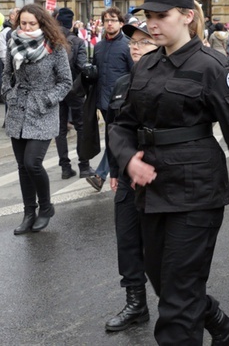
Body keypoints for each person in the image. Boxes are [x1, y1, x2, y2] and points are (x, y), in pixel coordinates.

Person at [108, 0, 229, 346]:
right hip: (150, 191)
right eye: (148, 16)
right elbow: (121, 125)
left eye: (161, 16)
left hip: (196, 192)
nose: (152, 24)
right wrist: (127, 161)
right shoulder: (146, 65)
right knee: (163, 281)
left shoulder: (212, 66)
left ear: (187, 16)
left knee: (177, 300)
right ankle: (220, 324)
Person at [104, 21, 158, 333]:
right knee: (127, 241)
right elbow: (115, 129)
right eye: (133, 42)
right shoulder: (123, 83)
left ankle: (183, 305)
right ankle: (136, 302)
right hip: (127, 176)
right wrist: (115, 169)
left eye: (143, 42)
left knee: (162, 249)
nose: (135, 47)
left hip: (157, 176)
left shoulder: (168, 78)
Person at [1, 3, 72, 234]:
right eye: (23, 23)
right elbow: (6, 75)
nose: (28, 27)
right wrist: (8, 94)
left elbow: (65, 83)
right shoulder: (13, 42)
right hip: (18, 109)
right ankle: (29, 213)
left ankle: (46, 207)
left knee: (33, 163)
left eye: (32, 23)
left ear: (42, 23)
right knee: (22, 166)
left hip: (43, 111)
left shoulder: (55, 46)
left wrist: (46, 100)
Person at [84, 7, 133, 190]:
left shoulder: (127, 45)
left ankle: (101, 175)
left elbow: (133, 74)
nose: (109, 23)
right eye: (106, 20)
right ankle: (115, 173)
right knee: (113, 139)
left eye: (113, 20)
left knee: (115, 139)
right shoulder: (99, 46)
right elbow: (96, 74)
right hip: (104, 103)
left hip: (122, 103)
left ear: (121, 23)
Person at [53, 7, 91, 179]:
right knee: (81, 126)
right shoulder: (77, 42)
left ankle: (65, 168)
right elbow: (83, 67)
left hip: (55, 90)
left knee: (60, 129)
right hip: (75, 89)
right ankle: (84, 166)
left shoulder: (50, 40)